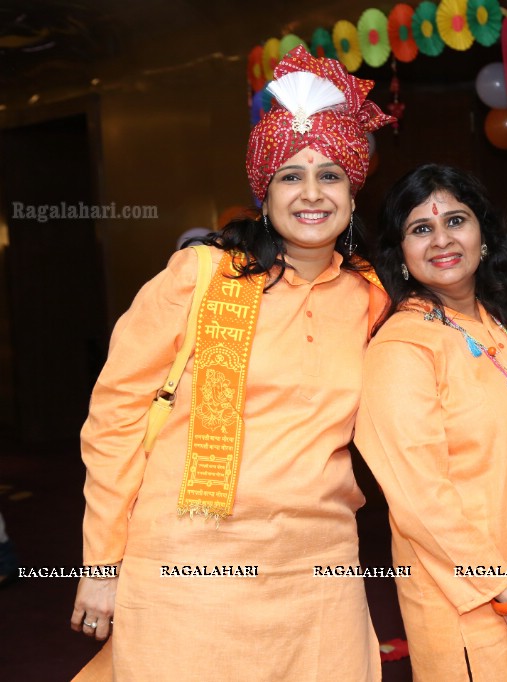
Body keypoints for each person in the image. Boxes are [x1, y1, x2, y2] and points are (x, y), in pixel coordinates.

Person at [70, 46, 393, 680]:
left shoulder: (373, 297)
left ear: (353, 195)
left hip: (318, 570)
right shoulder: (201, 274)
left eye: (330, 175)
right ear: (263, 192)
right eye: (290, 176)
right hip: (189, 564)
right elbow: (113, 424)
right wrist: (101, 566)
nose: (311, 194)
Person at [355, 164, 507, 681]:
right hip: (481, 602)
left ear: (484, 235)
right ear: (400, 253)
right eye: (420, 229)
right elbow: (420, 500)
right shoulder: (401, 349)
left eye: (457, 220)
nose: (442, 240)